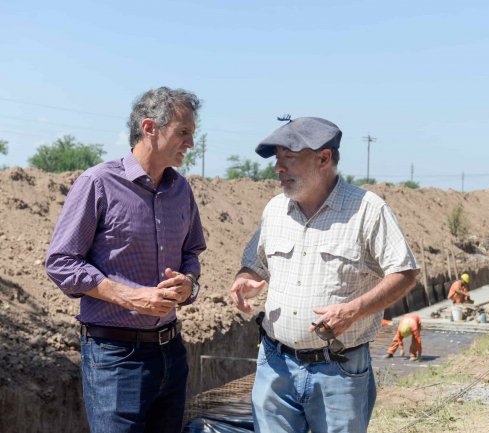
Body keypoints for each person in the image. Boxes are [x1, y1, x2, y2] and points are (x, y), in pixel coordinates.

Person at [230, 116, 419, 433]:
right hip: (275, 367)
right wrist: (244, 278)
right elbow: (255, 264)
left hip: (338, 371)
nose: (278, 167)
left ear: (324, 158)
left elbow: (405, 273)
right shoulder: (275, 210)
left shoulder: (368, 210)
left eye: (288, 157)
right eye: (277, 158)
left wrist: (353, 311)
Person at [45, 87, 206, 433]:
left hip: (172, 353)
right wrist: (130, 296)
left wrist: (188, 283)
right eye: (183, 132)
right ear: (149, 127)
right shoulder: (97, 183)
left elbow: (192, 253)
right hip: (115, 357)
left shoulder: (181, 190)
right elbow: (61, 261)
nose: (191, 143)